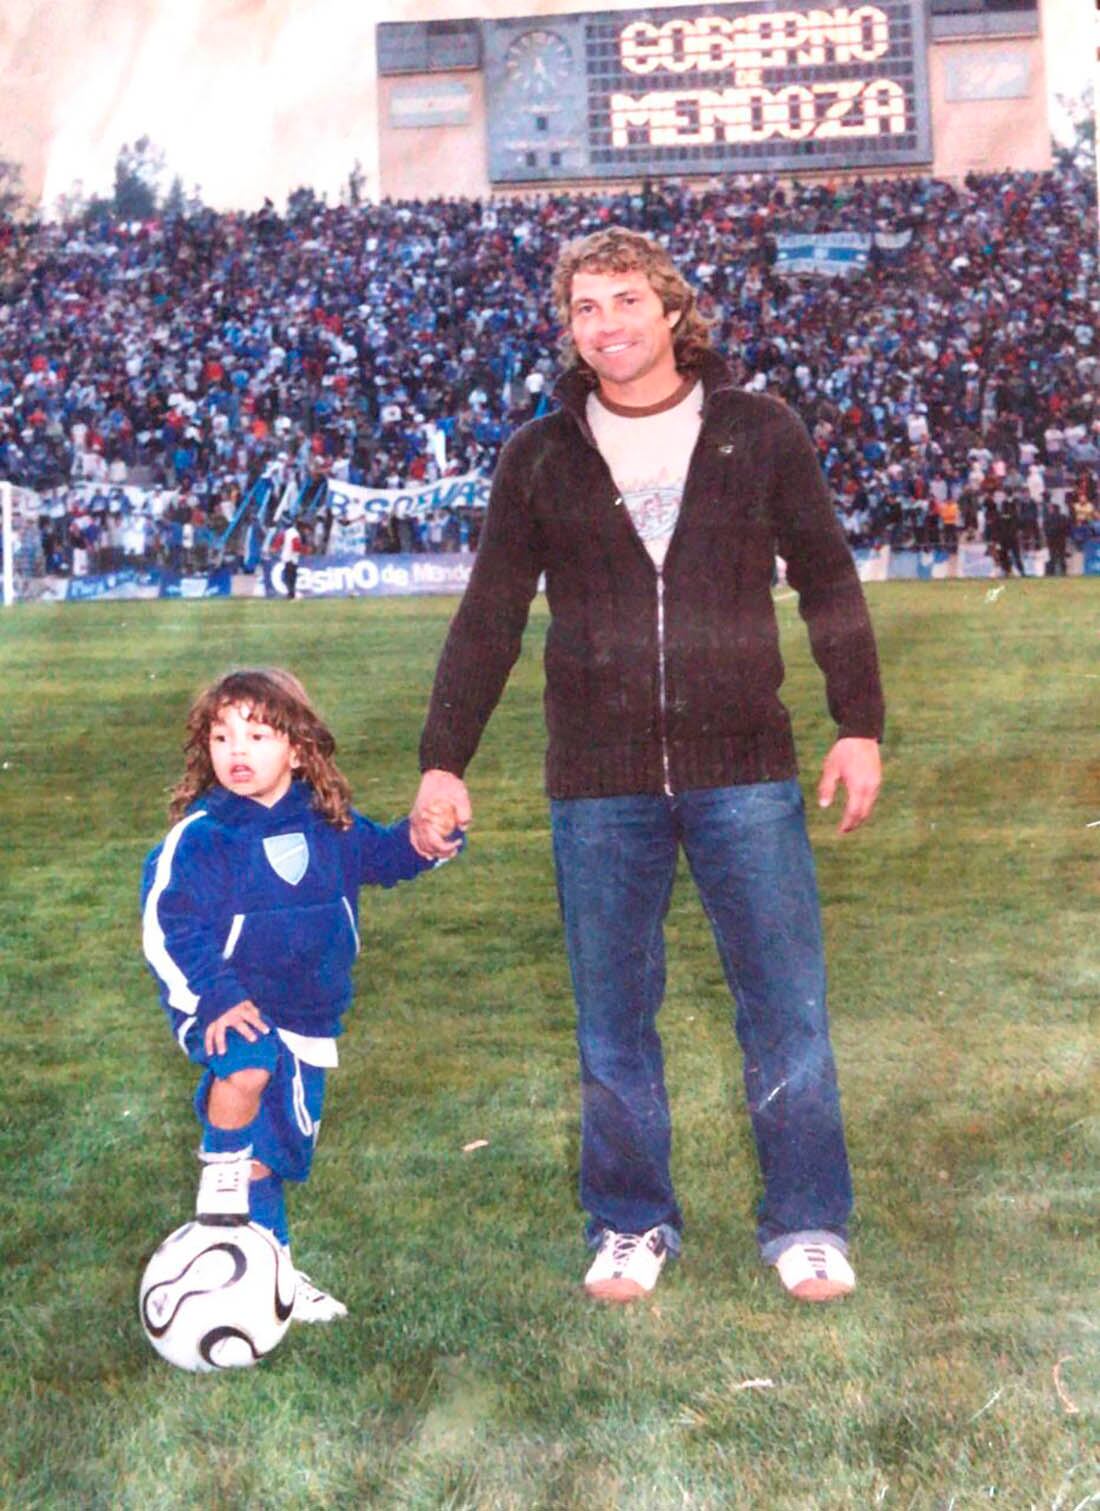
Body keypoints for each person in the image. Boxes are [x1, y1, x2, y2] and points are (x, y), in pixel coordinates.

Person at [410, 228, 884, 1306]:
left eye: (626, 300)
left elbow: (826, 580)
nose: (606, 324)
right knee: (610, 1015)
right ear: (567, 326)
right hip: (597, 779)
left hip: (744, 769)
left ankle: (806, 1220)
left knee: (784, 1006)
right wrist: (444, 759)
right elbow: (488, 614)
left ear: (672, 311)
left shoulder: (758, 431)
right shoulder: (538, 452)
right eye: (585, 307)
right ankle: (629, 1220)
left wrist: (856, 722)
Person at [142, 667, 462, 1321]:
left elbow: (387, 855)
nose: (237, 750)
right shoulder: (204, 836)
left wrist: (426, 840)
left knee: (276, 1155)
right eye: (222, 735)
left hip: (309, 1017)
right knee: (246, 1064)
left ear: (296, 748)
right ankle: (219, 1203)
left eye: (257, 734)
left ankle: (272, 1275)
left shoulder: (328, 825)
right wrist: (214, 997)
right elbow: (170, 922)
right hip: (224, 1000)